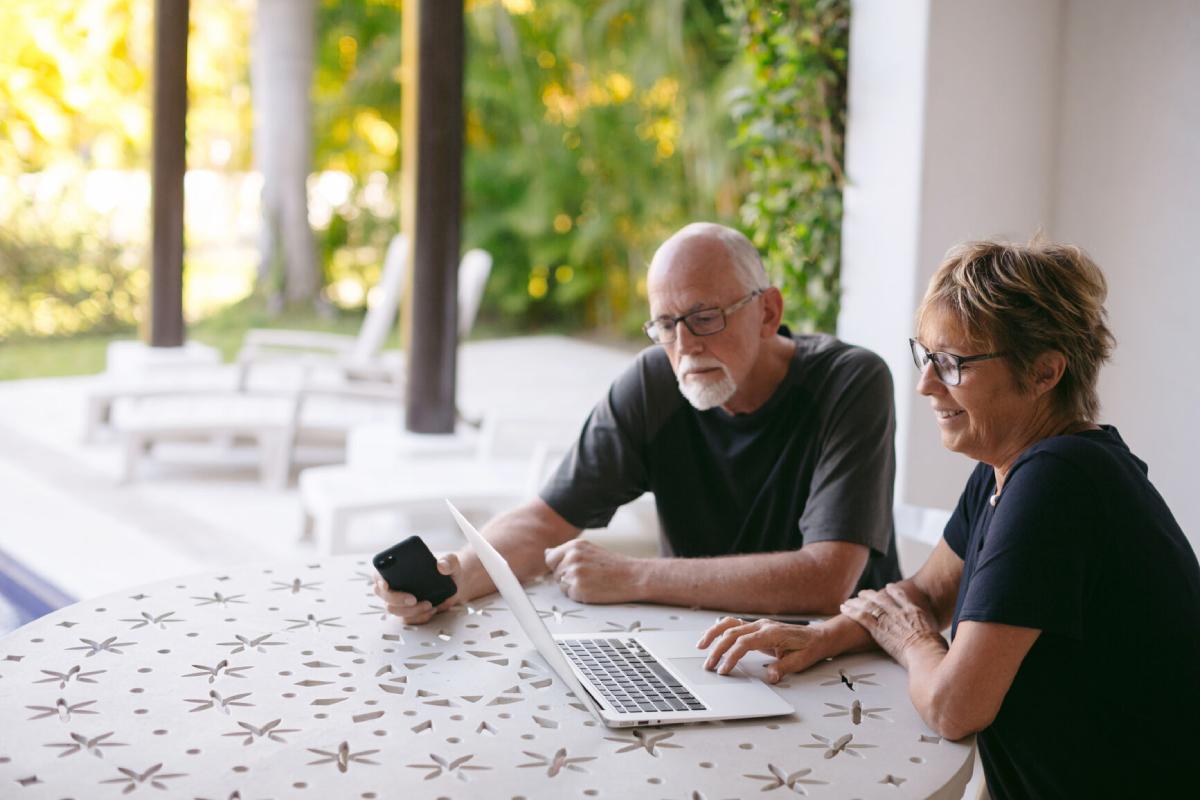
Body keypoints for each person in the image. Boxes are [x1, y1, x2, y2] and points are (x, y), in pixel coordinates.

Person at [698, 238, 1200, 798]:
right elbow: (927, 594)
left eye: (953, 364)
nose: (926, 384)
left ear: (1044, 373)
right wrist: (820, 637)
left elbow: (952, 705)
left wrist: (914, 643)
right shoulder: (1008, 467)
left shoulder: (1060, 480)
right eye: (927, 356)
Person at [376, 222, 901, 624]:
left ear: (768, 312)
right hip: (707, 648)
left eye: (705, 318)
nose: (686, 346)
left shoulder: (849, 383)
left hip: (839, 659)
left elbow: (827, 578)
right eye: (666, 325)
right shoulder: (655, 384)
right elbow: (543, 522)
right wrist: (457, 578)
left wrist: (632, 574)